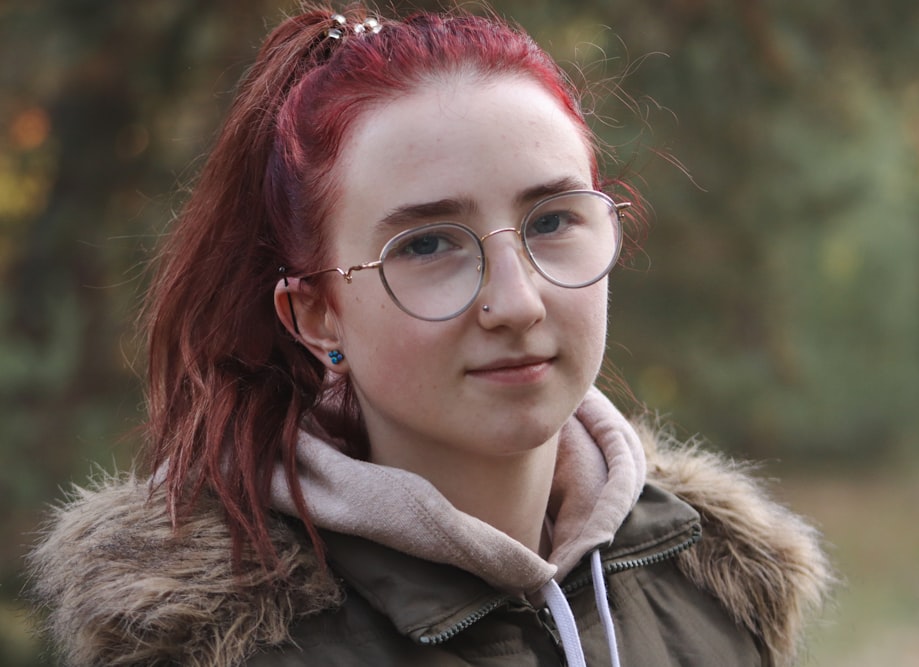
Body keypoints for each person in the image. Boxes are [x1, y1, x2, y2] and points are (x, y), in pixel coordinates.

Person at [27, 4, 832, 666]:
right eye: (426, 244)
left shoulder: (711, 586)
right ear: (315, 315)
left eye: (552, 220)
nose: (516, 302)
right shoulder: (223, 647)